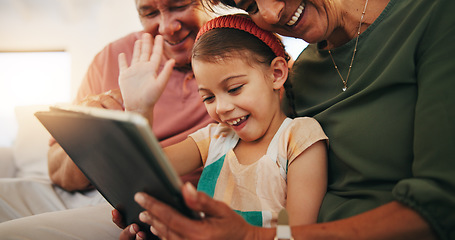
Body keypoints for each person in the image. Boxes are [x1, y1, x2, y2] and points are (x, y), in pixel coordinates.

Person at [117, 0, 455, 239]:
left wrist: (253, 237)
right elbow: (149, 166)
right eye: (250, 4)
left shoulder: (434, 16)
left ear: (276, 73)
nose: (271, 11)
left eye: (234, 88)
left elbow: (440, 203)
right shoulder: (299, 74)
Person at [0, 0, 213, 230]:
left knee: (12, 233)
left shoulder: (236, 57)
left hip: (140, 204)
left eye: (179, 6)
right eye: (150, 13)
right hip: (79, 193)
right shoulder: (112, 56)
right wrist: (87, 134)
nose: (166, 27)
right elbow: (57, 170)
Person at [116, 14, 327, 237]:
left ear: (276, 74)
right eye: (208, 98)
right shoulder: (215, 137)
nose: (221, 108)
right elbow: (145, 169)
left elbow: (297, 234)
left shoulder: (299, 137)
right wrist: (139, 111)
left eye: (234, 88)